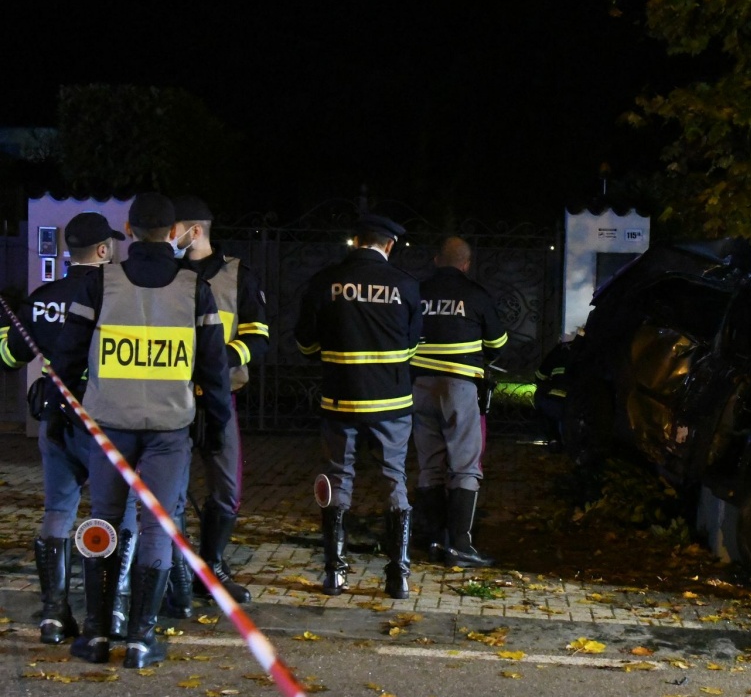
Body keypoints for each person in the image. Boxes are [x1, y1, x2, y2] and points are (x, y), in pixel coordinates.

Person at [55, 193, 232, 668]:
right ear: (174, 233)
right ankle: (140, 639)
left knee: (105, 519)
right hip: (170, 429)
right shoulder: (194, 288)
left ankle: (95, 635)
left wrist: (62, 408)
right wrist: (217, 425)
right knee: (157, 526)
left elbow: (68, 356)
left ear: (129, 229)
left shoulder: (100, 283)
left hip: (110, 425)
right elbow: (214, 368)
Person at [0, 213, 137, 644]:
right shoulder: (116, 296)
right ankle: (114, 609)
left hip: (57, 419)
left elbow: (8, 355)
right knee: (118, 511)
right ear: (102, 251)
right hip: (107, 422)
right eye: (111, 246)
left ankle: (55, 615)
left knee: (58, 511)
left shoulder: (44, 297)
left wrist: (11, 326)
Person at [294, 215, 422, 598]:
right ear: (389, 245)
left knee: (337, 478)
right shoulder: (406, 285)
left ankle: (334, 573)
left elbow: (305, 344)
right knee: (393, 479)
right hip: (392, 403)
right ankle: (397, 576)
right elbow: (412, 347)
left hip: (341, 398)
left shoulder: (323, 282)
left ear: (356, 241)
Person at [156, 196, 269, 616]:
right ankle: (178, 573)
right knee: (172, 491)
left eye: (176, 229)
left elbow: (258, 336)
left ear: (195, 230)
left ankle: (213, 567)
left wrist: (220, 362)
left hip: (221, 399)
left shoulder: (238, 274)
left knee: (226, 490)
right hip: (174, 399)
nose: (171, 238)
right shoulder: (168, 274)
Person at [409, 236, 507, 568]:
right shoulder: (475, 294)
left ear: (437, 259)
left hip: (419, 385)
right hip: (460, 386)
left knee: (429, 464)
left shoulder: (417, 291)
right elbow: (497, 342)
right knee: (465, 464)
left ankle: (434, 540)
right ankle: (461, 546)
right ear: (465, 264)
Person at [533, 330, 578, 451]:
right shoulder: (591, 351)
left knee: (542, 400)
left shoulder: (561, 349)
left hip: (558, 401)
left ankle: (553, 439)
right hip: (583, 404)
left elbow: (540, 375)